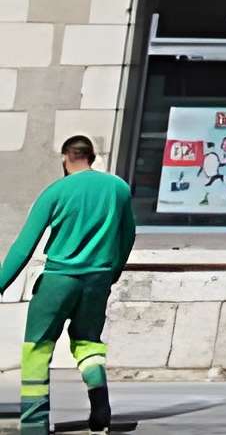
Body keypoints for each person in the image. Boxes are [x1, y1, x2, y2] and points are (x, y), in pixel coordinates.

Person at [4, 136, 134, 435]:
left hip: (58, 280)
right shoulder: (119, 189)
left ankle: (35, 423)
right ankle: (100, 407)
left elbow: (24, 247)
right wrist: (110, 274)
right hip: (97, 280)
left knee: (37, 347)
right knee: (88, 343)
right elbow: (127, 237)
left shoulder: (55, 191)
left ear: (65, 157)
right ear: (92, 156)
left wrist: (1, 283)